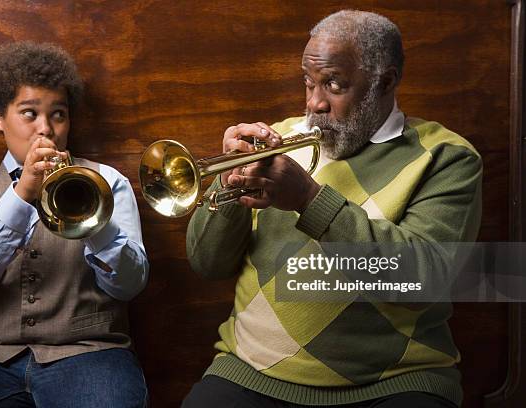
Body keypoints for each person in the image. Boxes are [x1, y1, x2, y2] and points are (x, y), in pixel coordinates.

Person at [182, 10, 481, 408]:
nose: (313, 103)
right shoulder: (279, 139)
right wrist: (226, 181)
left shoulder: (446, 157)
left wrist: (308, 199)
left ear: (385, 81)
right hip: (251, 373)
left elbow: (422, 280)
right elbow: (207, 263)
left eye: (333, 84)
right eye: (308, 83)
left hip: (396, 382)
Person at [0, 42, 148, 407]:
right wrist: (22, 194)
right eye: (29, 113)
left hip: (89, 358)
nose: (47, 130)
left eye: (58, 114)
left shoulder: (107, 181)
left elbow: (130, 285)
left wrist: (93, 216)